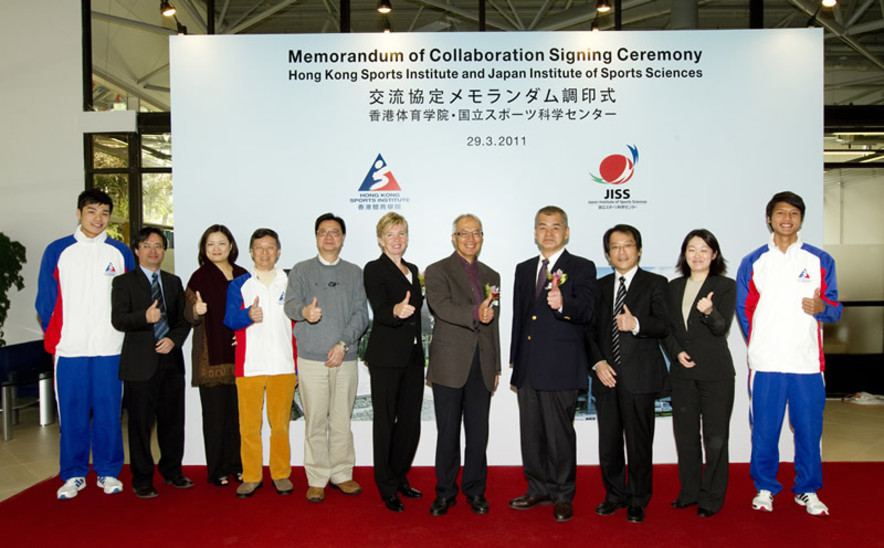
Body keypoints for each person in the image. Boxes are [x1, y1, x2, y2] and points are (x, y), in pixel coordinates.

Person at [736, 191, 842, 517]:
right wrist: (760, 346)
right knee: (765, 430)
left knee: (809, 431)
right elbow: (744, 310)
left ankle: (807, 490)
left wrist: (823, 308)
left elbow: (835, 310)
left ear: (800, 219)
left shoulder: (819, 260)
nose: (786, 218)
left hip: (807, 364)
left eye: (793, 213)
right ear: (770, 218)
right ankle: (765, 488)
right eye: (780, 212)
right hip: (767, 364)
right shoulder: (754, 261)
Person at [36, 189, 135, 500]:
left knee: (109, 412)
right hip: (71, 349)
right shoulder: (58, 251)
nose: (98, 219)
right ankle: (74, 474)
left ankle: (108, 471)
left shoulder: (120, 253)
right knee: (72, 413)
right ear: (79, 213)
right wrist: (58, 338)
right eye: (92, 211)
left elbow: (130, 300)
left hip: (110, 348)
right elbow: (45, 300)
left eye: (104, 213)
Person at [508, 205, 597, 523]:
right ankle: (537, 488)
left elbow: (588, 312)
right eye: (542, 226)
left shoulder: (583, 267)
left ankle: (562, 494)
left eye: (556, 226)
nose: (549, 232)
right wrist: (515, 362)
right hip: (528, 367)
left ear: (567, 232)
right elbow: (521, 318)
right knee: (530, 434)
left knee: (559, 436)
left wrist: (564, 305)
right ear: (534, 232)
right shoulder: (523, 268)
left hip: (561, 367)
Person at [284, 213, 369, 503]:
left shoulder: (355, 272)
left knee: (341, 420)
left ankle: (342, 474)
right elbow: (291, 304)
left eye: (335, 232)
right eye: (323, 232)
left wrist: (343, 344)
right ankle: (318, 478)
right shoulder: (301, 270)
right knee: (316, 420)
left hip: (344, 357)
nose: (329, 237)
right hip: (311, 359)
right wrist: (304, 312)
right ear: (316, 237)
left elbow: (361, 314)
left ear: (343, 238)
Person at [587, 224, 669, 524]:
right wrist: (597, 363)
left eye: (628, 245)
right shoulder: (599, 287)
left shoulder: (656, 283)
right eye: (615, 247)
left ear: (639, 249)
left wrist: (636, 324)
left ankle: (637, 498)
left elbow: (664, 325)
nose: (621, 251)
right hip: (606, 376)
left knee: (639, 442)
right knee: (608, 442)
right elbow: (590, 331)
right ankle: (613, 495)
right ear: (608, 254)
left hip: (641, 377)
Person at [424, 213, 500, 517]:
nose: (471, 239)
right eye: (464, 233)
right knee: (448, 433)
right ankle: (445, 492)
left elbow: (493, 324)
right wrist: (474, 313)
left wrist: (494, 365)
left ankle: (476, 491)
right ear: (454, 238)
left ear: (482, 237)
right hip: (449, 364)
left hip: (481, 364)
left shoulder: (492, 274)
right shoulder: (437, 270)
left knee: (479, 433)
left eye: (477, 233)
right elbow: (440, 307)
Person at [112, 227, 193, 498]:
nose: (153, 250)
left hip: (170, 361)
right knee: (140, 424)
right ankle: (143, 478)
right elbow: (119, 319)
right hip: (139, 364)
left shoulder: (173, 281)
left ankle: (172, 471)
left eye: (158, 245)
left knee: (172, 421)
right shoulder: (123, 283)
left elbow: (183, 320)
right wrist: (143, 318)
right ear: (136, 250)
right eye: (147, 245)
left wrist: (174, 339)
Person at [663, 229, 736, 518]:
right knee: (686, 437)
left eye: (704, 249)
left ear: (714, 254)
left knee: (715, 438)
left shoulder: (725, 285)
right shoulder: (673, 286)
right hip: (682, 374)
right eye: (692, 249)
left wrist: (709, 311)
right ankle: (689, 492)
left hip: (716, 374)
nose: (697, 255)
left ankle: (712, 497)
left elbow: (721, 329)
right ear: (685, 254)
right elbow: (667, 329)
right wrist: (676, 351)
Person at [224, 228, 298, 498]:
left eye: (270, 247)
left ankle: (280, 474)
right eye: (259, 247)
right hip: (249, 366)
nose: (265, 252)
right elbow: (230, 319)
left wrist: (297, 367)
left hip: (284, 366)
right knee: (249, 427)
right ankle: (252, 475)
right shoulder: (239, 284)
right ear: (251, 251)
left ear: (278, 252)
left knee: (280, 426)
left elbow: (297, 327)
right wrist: (247, 314)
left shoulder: (291, 283)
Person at [363, 212, 425, 512]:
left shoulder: (413, 269)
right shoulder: (374, 269)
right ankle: (385, 485)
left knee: (410, 423)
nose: (396, 239)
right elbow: (380, 307)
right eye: (390, 234)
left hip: (413, 356)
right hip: (386, 357)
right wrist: (395, 310)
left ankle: (399, 476)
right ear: (380, 239)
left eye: (401, 233)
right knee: (386, 422)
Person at [184, 224, 247, 487]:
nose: (216, 249)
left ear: (231, 246)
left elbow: (256, 312)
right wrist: (196, 309)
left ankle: (239, 466)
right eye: (210, 244)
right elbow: (187, 314)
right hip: (210, 360)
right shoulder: (198, 278)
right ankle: (218, 470)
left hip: (243, 357)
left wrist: (246, 332)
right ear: (204, 248)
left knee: (240, 418)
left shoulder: (244, 275)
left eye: (221, 243)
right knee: (215, 419)